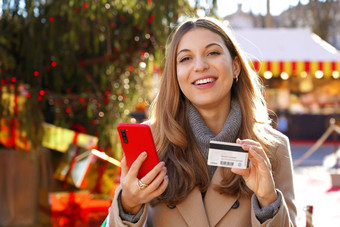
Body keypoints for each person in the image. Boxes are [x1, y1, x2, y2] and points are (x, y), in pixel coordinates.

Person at [106, 16, 297, 226]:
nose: (200, 66)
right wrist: (129, 206)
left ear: (235, 67)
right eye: (185, 58)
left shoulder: (272, 147)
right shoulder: (151, 140)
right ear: (175, 75)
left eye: (213, 53)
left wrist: (268, 201)